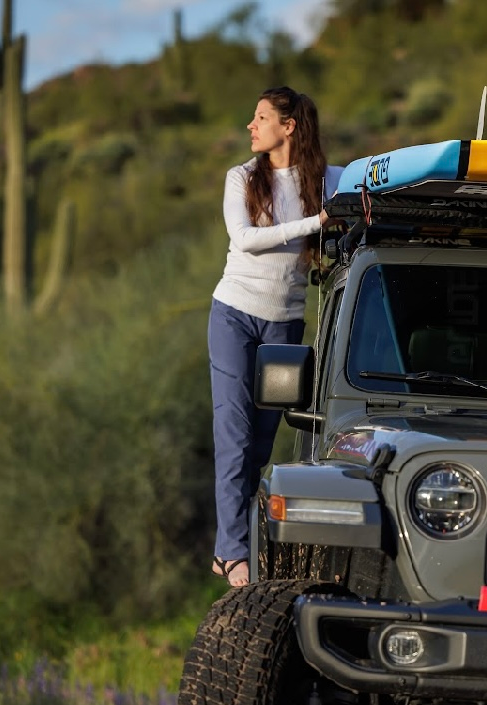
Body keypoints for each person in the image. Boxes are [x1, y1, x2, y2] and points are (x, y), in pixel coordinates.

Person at [209, 86, 344, 587]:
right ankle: (231, 551)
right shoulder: (241, 177)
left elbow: (371, 188)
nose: (251, 125)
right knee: (234, 432)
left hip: (284, 325)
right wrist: (317, 222)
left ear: (288, 127)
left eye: (260, 117)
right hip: (233, 317)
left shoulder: (328, 180)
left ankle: (244, 540)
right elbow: (243, 239)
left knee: (262, 443)